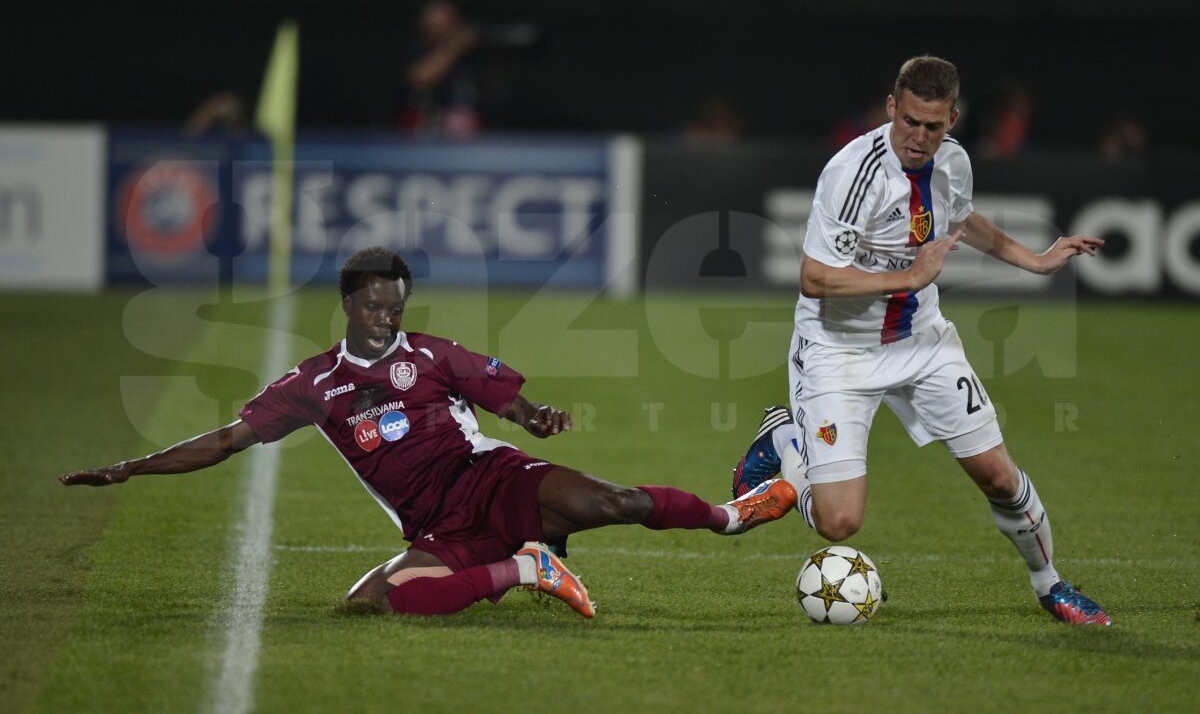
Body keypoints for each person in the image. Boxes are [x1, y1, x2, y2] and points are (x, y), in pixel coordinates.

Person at [59, 247, 796, 618]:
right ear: (350, 304)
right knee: (376, 603)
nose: (390, 318)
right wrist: (131, 467)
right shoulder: (311, 386)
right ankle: (530, 569)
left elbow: (505, 399)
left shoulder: (432, 355)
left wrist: (534, 418)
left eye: (398, 306)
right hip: (437, 526)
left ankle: (733, 515)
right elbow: (223, 441)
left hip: (493, 480)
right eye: (377, 306)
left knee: (616, 503)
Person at [729, 56, 1111, 625]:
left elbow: (962, 219)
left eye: (933, 126)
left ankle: (1050, 585)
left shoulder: (953, 163)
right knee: (839, 524)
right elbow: (813, 277)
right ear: (891, 108)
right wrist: (908, 276)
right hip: (839, 350)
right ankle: (785, 441)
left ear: (951, 119)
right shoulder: (852, 173)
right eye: (910, 121)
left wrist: (1035, 259)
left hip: (922, 342)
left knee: (999, 477)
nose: (919, 136)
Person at [399, 0, 481, 138]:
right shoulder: (416, 50)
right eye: (434, 23)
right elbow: (420, 77)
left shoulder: (470, 54)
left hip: (461, 128)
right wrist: (454, 47)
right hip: (423, 126)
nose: (440, 27)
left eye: (445, 22)